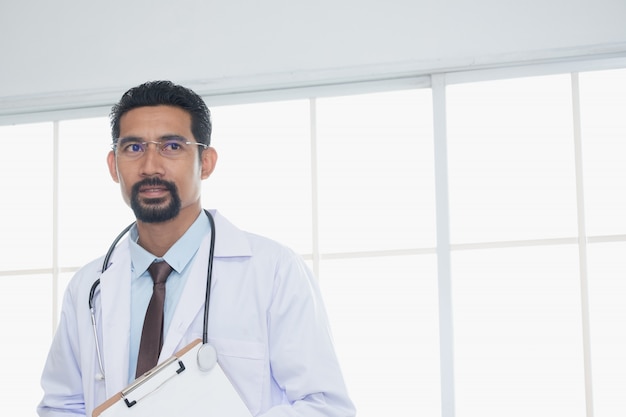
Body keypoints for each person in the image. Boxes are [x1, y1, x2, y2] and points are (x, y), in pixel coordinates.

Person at [37, 80, 355, 417]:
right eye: (133, 148)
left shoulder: (273, 270)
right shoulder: (88, 286)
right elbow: (62, 406)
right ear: (113, 166)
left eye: (171, 146)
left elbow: (324, 407)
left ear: (206, 162)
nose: (150, 166)